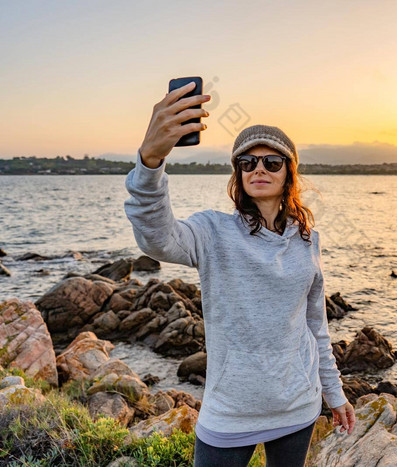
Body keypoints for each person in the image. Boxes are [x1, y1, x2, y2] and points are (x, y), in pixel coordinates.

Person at [124, 81, 355, 466]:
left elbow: (316, 326)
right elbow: (157, 238)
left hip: (297, 408)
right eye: (247, 163)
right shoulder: (213, 232)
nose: (258, 168)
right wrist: (150, 162)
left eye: (271, 162)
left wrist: (335, 393)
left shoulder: (307, 241)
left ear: (289, 173)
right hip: (229, 414)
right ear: (238, 174)